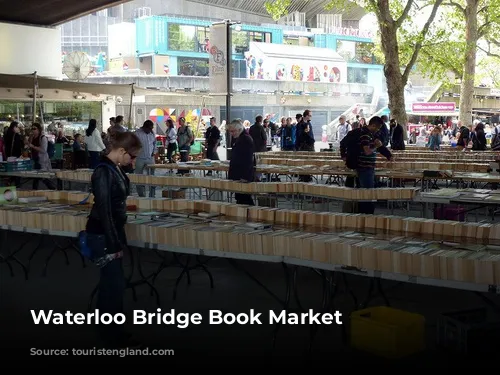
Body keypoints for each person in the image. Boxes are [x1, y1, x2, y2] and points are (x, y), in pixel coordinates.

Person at [85, 131, 143, 350]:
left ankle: (110, 331)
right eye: (132, 156)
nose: (133, 161)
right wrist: (113, 243)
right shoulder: (103, 172)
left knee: (113, 285)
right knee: (113, 287)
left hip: (110, 233)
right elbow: (104, 209)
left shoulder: (115, 168)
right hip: (103, 234)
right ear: (120, 151)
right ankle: (111, 334)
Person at [356, 116, 392, 214]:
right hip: (365, 167)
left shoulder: (370, 135)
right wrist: (376, 146)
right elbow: (367, 151)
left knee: (366, 191)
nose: (378, 130)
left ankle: (365, 213)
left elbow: (378, 147)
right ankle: (367, 215)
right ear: (373, 125)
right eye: (377, 128)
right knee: (368, 192)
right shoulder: (365, 135)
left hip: (368, 167)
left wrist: (388, 155)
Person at [227, 119, 255, 205]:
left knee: (244, 198)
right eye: (230, 131)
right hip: (238, 174)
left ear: (239, 129)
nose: (231, 133)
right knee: (240, 197)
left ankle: (250, 216)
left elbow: (248, 160)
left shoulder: (245, 139)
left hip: (243, 176)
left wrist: (244, 177)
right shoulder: (240, 137)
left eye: (233, 131)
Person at [134, 120, 158, 197]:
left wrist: (153, 152)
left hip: (150, 158)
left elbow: (155, 144)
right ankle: (141, 195)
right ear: (144, 127)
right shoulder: (137, 133)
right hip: (140, 158)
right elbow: (133, 145)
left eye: (151, 129)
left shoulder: (152, 133)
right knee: (139, 177)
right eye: (149, 129)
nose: (150, 130)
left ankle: (152, 194)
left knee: (152, 177)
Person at [29, 123, 55, 190]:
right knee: (36, 177)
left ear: (39, 129)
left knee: (42, 177)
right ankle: (34, 191)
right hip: (35, 160)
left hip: (42, 160)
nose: (33, 130)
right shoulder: (32, 137)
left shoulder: (43, 138)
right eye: (32, 128)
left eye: (34, 128)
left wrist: (33, 146)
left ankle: (52, 188)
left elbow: (44, 150)